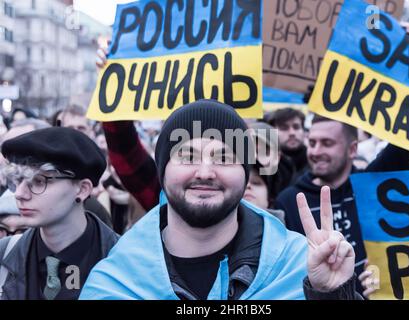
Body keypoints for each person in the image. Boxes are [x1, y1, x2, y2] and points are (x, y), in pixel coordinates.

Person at [80, 100, 359, 300]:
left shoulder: (299, 267)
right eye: (188, 157)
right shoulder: (116, 280)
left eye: (224, 158)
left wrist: (333, 295)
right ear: (163, 172)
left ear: (246, 174)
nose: (204, 172)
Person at [275, 115, 409, 292]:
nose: (316, 152)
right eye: (311, 143)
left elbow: (406, 140)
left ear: (352, 149)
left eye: (327, 143)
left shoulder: (372, 186)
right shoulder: (289, 201)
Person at [0, 127, 119, 300]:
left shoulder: (123, 259)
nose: (19, 193)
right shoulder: (5, 254)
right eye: (18, 181)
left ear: (82, 189)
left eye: (39, 181)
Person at [267, 108, 308, 183]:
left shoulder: (317, 164)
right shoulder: (266, 166)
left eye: (296, 127)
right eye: (284, 128)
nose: (292, 133)